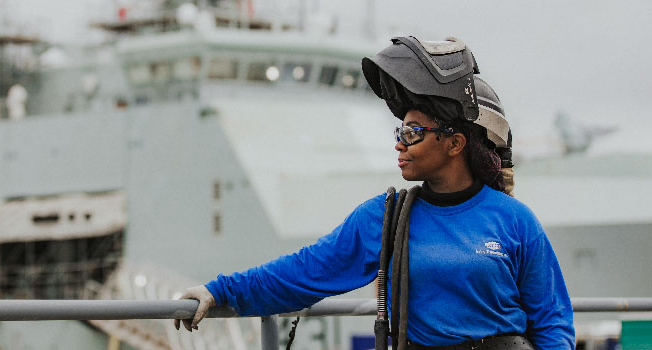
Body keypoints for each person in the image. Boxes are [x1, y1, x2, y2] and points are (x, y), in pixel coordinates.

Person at [173, 37, 575, 350]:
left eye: (413, 133)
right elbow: (305, 272)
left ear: (454, 144)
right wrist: (221, 290)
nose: (400, 143)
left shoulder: (514, 219)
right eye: (399, 132)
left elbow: (552, 318)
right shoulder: (385, 218)